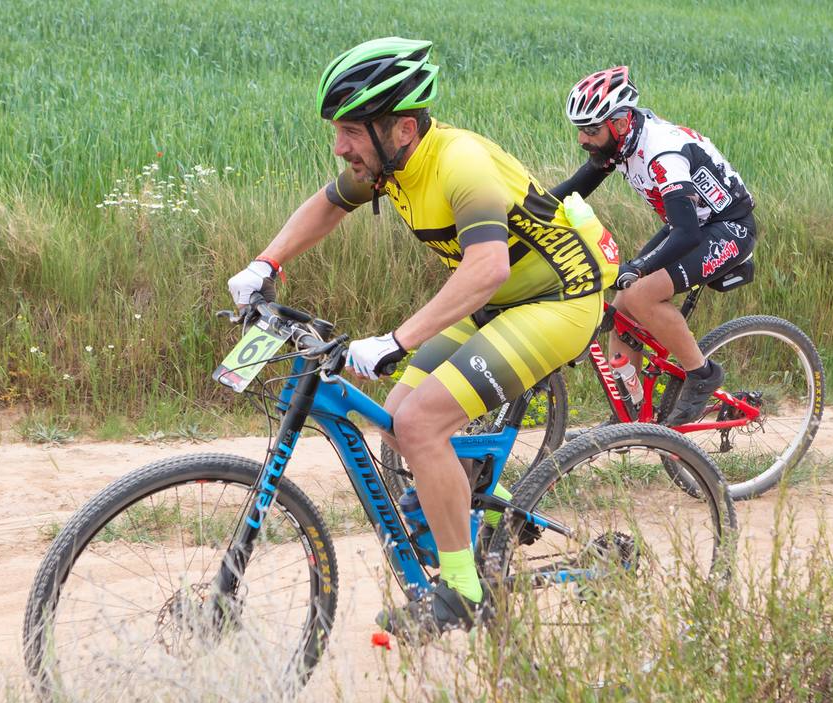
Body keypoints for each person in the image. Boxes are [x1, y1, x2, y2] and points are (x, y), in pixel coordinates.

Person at [226, 38, 616, 637]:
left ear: (402, 129)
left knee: (419, 426)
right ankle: (475, 499)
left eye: (352, 131)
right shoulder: (389, 165)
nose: (340, 147)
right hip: (500, 300)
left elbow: (487, 268)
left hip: (557, 299)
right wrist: (266, 264)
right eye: (339, 131)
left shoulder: (461, 164)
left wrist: (395, 339)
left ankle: (462, 592)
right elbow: (328, 205)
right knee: (397, 416)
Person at [552, 65, 756, 424]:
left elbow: (687, 234)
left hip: (727, 228)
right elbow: (572, 189)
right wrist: (521, 213)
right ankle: (628, 415)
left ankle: (702, 374)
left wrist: (639, 268)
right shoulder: (620, 141)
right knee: (621, 310)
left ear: (618, 122)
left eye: (590, 130)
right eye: (580, 130)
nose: (583, 140)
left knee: (641, 293)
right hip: (692, 222)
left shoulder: (662, 152)